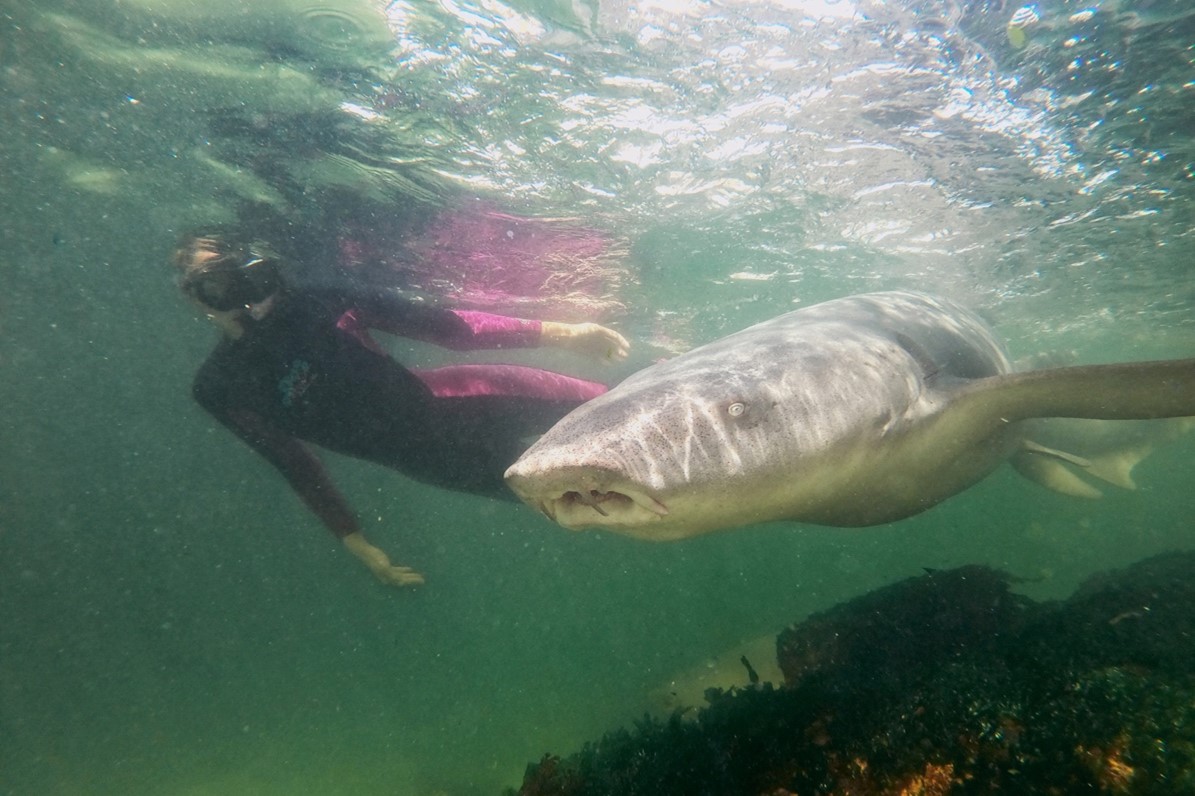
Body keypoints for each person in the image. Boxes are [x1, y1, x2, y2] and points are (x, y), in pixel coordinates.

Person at [175, 231, 630, 587]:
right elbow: (295, 464)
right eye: (212, 284)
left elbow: (449, 328)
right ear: (193, 299)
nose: (230, 293)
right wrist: (358, 544)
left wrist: (567, 333)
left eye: (233, 274)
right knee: (594, 499)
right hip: (440, 464)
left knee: (622, 410)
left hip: (470, 399)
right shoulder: (220, 387)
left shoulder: (315, 302)